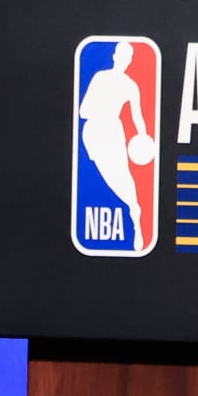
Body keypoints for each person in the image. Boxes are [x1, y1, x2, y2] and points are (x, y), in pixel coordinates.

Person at [79, 40, 148, 248]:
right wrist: (100, 110)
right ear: (115, 56)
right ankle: (133, 207)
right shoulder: (100, 77)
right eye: (121, 55)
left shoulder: (131, 86)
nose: (124, 60)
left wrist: (143, 136)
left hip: (113, 132)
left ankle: (135, 213)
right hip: (93, 132)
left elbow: (137, 116)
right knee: (108, 176)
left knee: (123, 175)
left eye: (128, 58)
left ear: (130, 61)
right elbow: (83, 111)